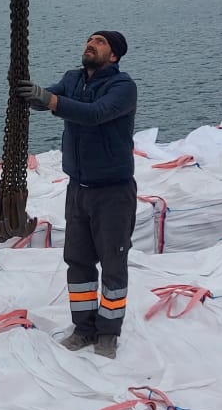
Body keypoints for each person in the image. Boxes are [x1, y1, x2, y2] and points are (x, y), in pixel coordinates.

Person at [13, 31, 138, 359]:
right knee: (78, 262)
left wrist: (50, 101)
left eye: (100, 42)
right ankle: (83, 329)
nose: (90, 44)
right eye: (89, 40)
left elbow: (95, 114)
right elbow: (49, 98)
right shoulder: (73, 79)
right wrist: (30, 94)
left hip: (113, 192)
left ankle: (108, 332)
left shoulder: (123, 88)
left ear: (114, 55)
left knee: (113, 263)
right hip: (78, 190)